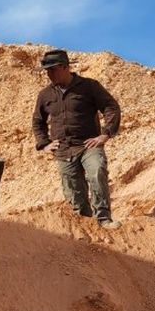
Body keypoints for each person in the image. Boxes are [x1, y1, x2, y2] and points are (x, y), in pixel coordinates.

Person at [32, 48, 121, 229]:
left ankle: (103, 218)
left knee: (97, 171)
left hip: (89, 145)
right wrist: (44, 144)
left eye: (52, 69)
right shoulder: (45, 95)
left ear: (65, 67)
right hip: (64, 150)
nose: (49, 74)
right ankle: (86, 225)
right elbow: (37, 121)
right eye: (47, 70)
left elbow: (111, 107)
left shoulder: (89, 86)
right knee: (73, 192)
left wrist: (105, 134)